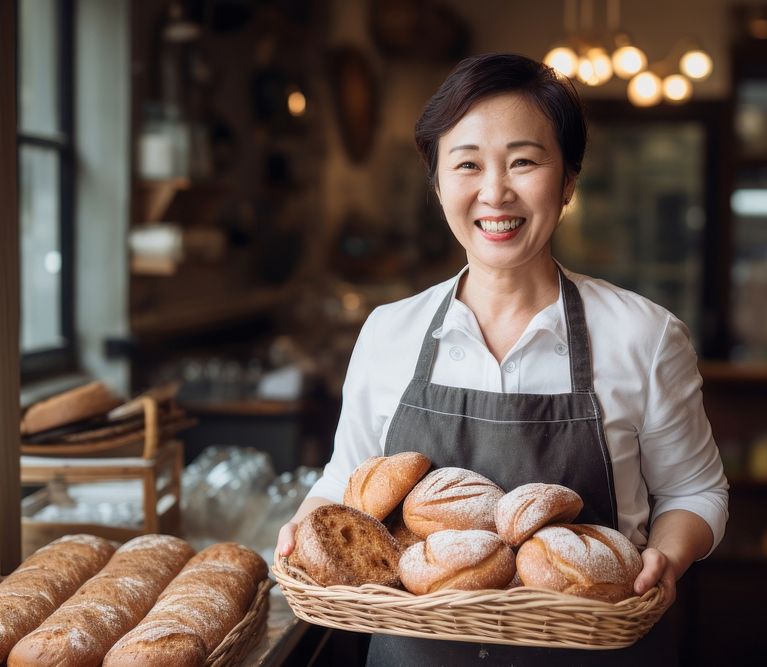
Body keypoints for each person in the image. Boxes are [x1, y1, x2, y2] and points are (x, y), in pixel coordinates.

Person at [276, 52, 729, 666]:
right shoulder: (390, 333)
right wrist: (305, 529)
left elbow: (695, 492)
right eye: (467, 164)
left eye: (524, 161)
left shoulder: (643, 337)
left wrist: (667, 558)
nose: (495, 192)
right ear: (438, 184)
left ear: (568, 179)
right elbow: (346, 480)